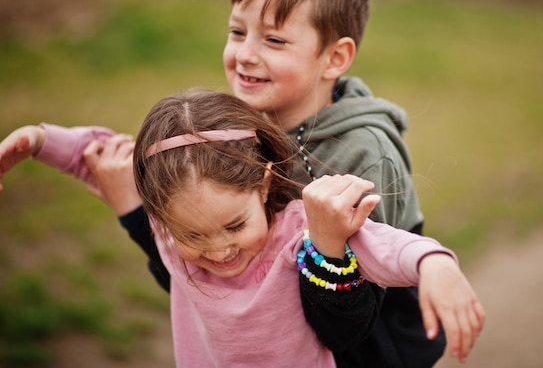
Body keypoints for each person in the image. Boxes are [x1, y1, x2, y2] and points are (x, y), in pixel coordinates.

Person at [0, 0, 462, 365]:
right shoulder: (240, 123)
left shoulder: (364, 156)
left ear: (334, 57)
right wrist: (43, 140)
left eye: (274, 40)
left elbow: (347, 324)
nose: (244, 54)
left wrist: (429, 262)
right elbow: (217, 291)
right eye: (238, 31)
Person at [1, 90, 485, 367]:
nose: (217, 249)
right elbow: (99, 156)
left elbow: (385, 244)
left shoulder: (298, 229)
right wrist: (39, 140)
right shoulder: (171, 228)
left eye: (233, 225)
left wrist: (435, 264)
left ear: (264, 181)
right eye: (193, 236)